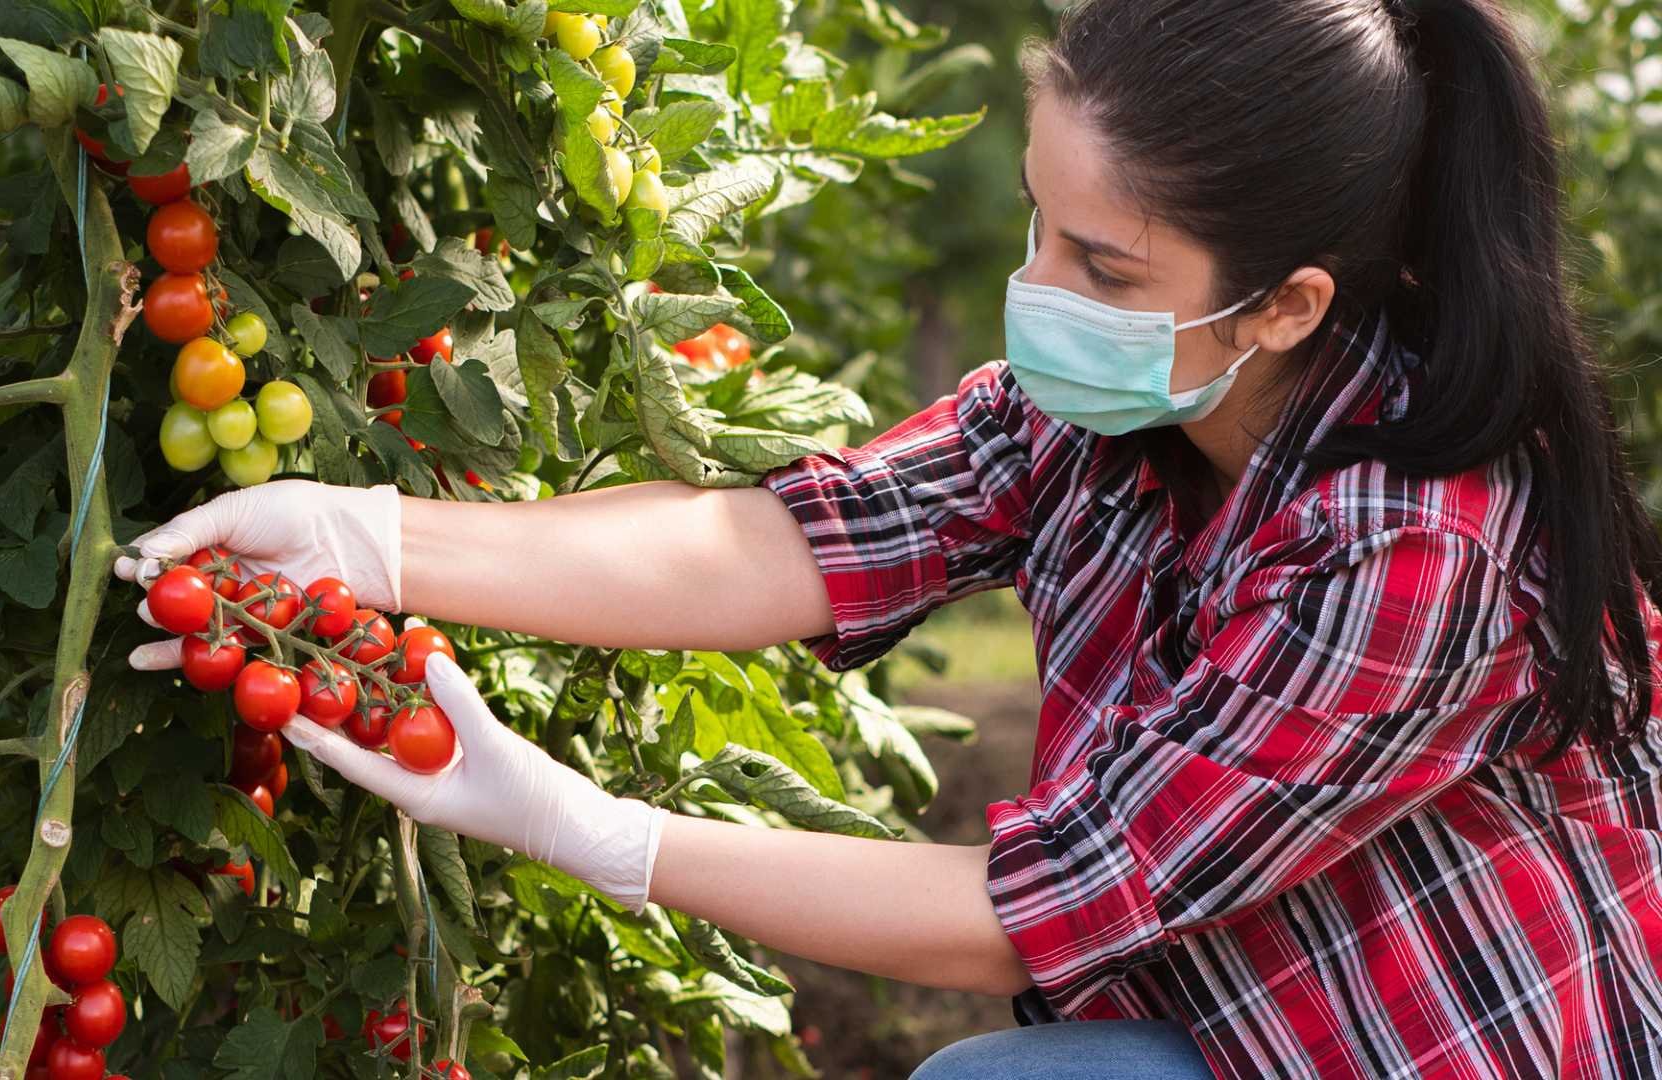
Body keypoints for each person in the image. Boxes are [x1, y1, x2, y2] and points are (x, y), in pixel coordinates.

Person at [113, 0, 1662, 1075]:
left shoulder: (1421, 546)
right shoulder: (1101, 409)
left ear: (1286, 305)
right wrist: (374, 539)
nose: (1040, 290)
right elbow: (785, 547)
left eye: (1105, 267)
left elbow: (1035, 913)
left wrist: (587, 829)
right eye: (1042, 223)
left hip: (1441, 1033)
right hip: (1239, 1003)